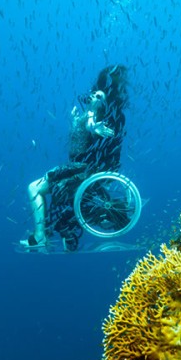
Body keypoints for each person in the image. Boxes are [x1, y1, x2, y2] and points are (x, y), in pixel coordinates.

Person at [21, 64, 128, 251]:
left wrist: (94, 127)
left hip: (81, 168)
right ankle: (52, 233)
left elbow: (91, 126)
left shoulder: (94, 116)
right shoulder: (87, 114)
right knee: (37, 189)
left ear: (105, 104)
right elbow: (80, 135)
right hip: (76, 165)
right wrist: (75, 121)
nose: (94, 97)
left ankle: (40, 236)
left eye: (100, 97)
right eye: (94, 94)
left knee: (33, 188)